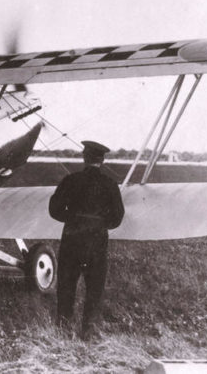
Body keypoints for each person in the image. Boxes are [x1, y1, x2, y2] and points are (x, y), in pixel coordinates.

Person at [48, 140, 125, 340]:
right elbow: (117, 217)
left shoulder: (71, 180)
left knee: (66, 285)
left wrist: (73, 220)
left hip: (72, 237)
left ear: (85, 157)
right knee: (95, 287)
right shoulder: (109, 184)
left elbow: (54, 210)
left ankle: (63, 331)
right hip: (96, 241)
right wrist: (99, 224)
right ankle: (89, 333)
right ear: (102, 160)